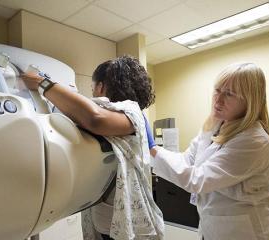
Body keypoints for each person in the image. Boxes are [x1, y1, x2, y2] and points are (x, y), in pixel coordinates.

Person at [22, 55, 164, 240]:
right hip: (105, 219)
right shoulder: (116, 117)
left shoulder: (132, 112)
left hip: (126, 224)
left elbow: (95, 118)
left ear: (101, 86)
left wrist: (43, 83)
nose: (93, 94)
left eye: (93, 88)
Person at [144, 62, 269, 240]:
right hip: (214, 226)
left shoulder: (254, 140)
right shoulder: (215, 125)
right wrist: (155, 149)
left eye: (229, 94)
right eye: (217, 90)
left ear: (250, 100)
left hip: (247, 231)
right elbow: (187, 160)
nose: (218, 99)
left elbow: (198, 180)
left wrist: (152, 148)